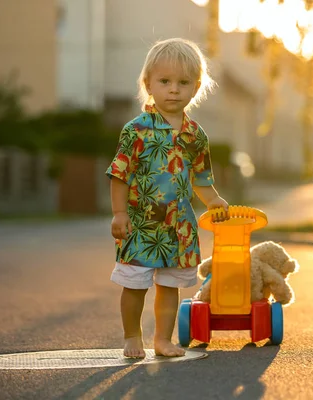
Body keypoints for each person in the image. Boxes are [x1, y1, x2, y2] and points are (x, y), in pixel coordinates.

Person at [106, 37, 228, 358]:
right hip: (140, 224)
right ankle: (132, 336)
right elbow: (120, 174)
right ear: (149, 84)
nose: (173, 89)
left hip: (178, 227)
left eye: (183, 82)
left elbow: (201, 177)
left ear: (196, 87)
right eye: (165, 81)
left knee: (169, 285)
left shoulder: (195, 134)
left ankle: (162, 339)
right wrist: (119, 214)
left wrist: (213, 199)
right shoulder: (136, 130)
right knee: (134, 284)